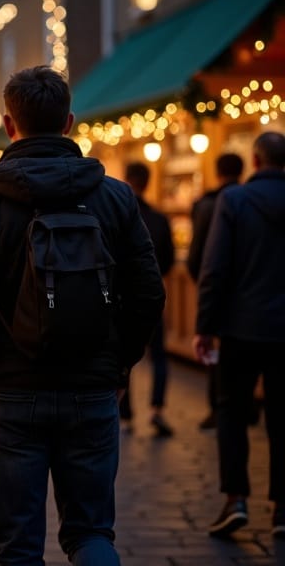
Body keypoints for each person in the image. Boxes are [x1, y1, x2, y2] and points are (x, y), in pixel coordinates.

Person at [0, 66, 166, 565]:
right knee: (91, 534)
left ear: (8, 124)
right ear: (69, 123)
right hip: (91, 383)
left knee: (19, 544)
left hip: (11, 385)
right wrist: (119, 364)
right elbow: (148, 292)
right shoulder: (115, 195)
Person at [195, 131, 285, 540]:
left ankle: (236, 498)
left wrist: (205, 327)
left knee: (232, 411)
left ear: (255, 159)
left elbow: (215, 269)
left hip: (240, 327)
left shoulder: (234, 201)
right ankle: (282, 507)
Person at [187, 152, 244, 430]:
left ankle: (219, 406)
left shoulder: (210, 204)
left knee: (219, 357)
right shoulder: (246, 200)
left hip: (220, 292)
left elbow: (201, 258)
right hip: (257, 300)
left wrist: (203, 287)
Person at [121, 161, 176, 437]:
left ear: (127, 179)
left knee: (122, 354)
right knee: (159, 356)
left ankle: (125, 414)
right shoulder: (159, 218)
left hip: (121, 299)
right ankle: (157, 409)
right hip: (153, 296)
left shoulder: (116, 214)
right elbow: (168, 260)